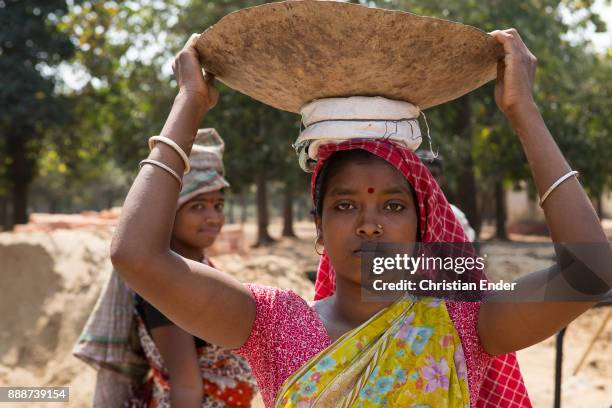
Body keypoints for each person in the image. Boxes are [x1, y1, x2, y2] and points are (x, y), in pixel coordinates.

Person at [109, 22, 611, 408]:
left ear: (423, 224)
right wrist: (189, 103)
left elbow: (589, 274)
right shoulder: (275, 323)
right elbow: (136, 255)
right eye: (345, 205)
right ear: (319, 226)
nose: (369, 223)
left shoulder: (463, 323)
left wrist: (523, 109)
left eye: (392, 206)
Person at [74, 129, 257, 408]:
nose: (213, 217)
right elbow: (186, 385)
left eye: (218, 205)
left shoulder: (200, 270)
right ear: (169, 213)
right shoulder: (164, 285)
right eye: (197, 206)